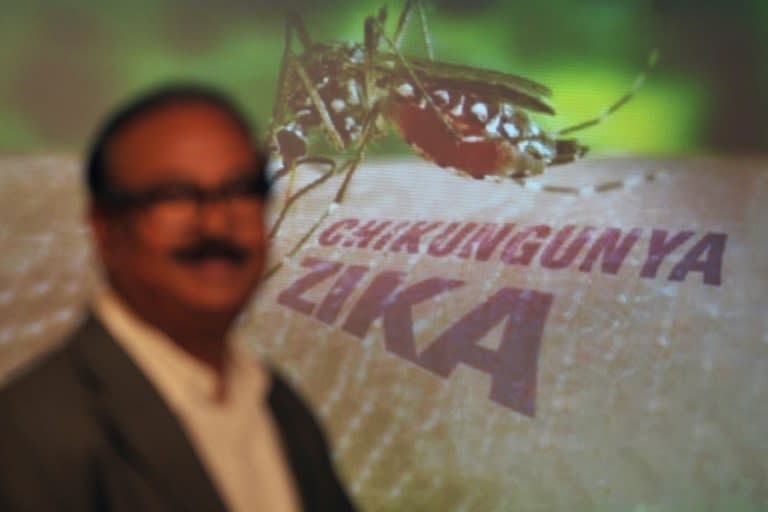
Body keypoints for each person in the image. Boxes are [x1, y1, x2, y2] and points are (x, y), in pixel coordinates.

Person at [0, 85, 356, 511]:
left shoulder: (282, 409)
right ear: (104, 226)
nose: (216, 224)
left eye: (240, 189)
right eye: (175, 195)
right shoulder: (31, 432)